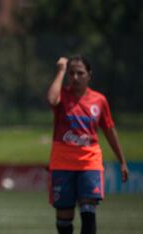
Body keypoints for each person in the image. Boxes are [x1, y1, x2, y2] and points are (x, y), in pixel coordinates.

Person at [47, 55, 129, 234]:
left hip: (89, 163)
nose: (75, 77)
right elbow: (52, 100)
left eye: (80, 73)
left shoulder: (99, 100)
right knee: (63, 219)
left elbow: (109, 131)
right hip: (62, 163)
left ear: (89, 75)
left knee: (88, 211)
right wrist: (60, 70)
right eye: (72, 73)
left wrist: (122, 161)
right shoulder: (62, 96)